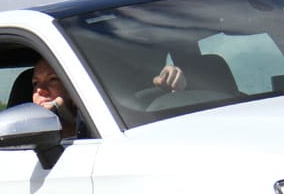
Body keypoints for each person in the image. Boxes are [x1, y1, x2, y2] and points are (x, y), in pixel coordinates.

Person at [31, 57, 187, 137]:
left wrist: (171, 85)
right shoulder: (26, 142)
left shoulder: (112, 126)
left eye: (52, 79)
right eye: (35, 83)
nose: (40, 90)